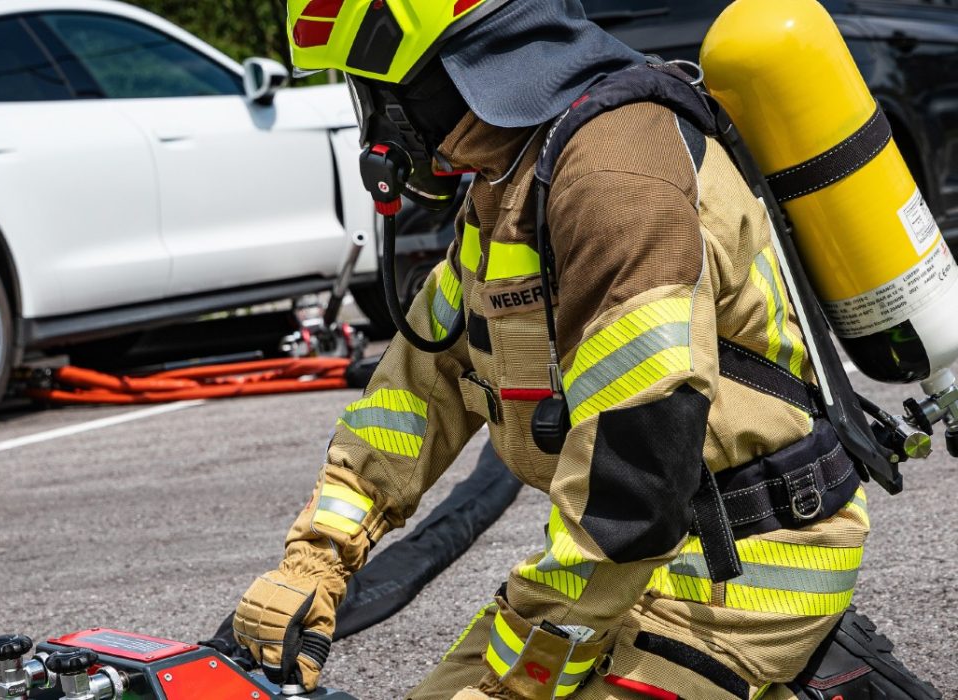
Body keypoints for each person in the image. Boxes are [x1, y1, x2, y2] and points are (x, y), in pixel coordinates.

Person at [230, 1, 926, 698]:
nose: (375, 120)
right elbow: (418, 391)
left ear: (432, 72)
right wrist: (314, 563)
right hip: (633, 563)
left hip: (737, 580)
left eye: (372, 90)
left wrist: (525, 673)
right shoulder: (511, 178)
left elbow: (636, 483)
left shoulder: (613, 180)